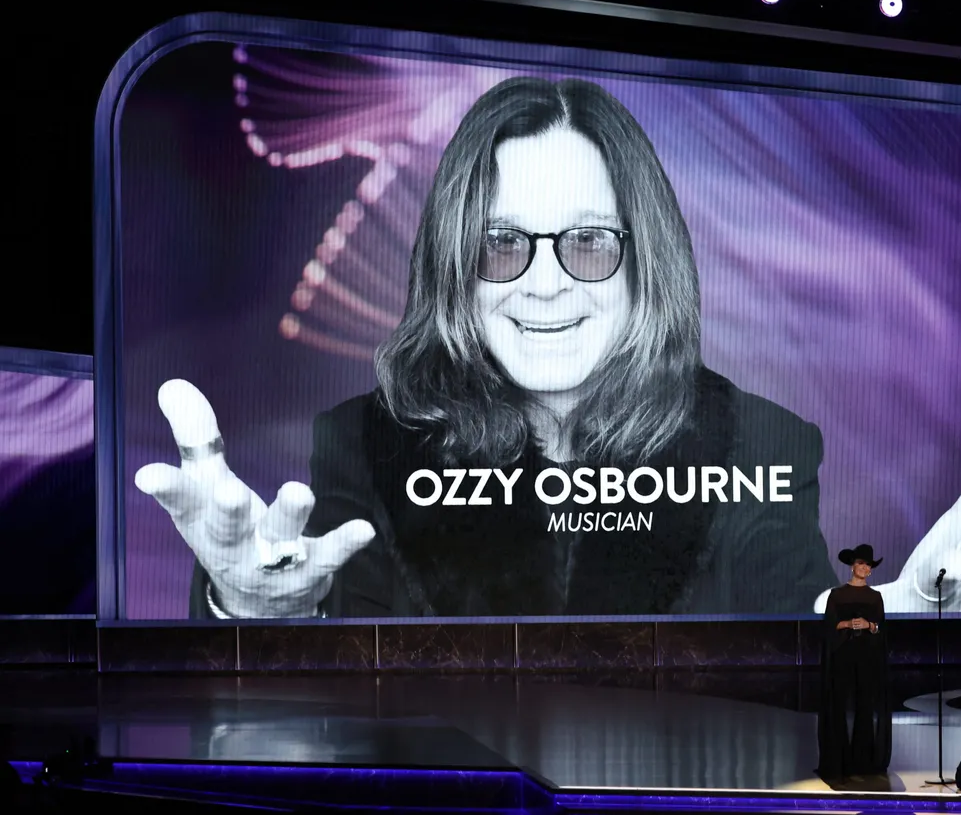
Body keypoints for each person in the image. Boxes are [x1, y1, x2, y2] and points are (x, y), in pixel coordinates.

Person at [135, 76, 839, 619]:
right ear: (455, 267)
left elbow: (806, 669)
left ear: (645, 262)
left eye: (587, 243)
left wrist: (884, 636)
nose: (544, 286)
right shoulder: (360, 446)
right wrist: (260, 610)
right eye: (501, 246)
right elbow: (312, 706)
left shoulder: (764, 443)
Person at [816, 545, 892, 784]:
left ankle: (863, 762)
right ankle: (839, 762)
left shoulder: (875, 597)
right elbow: (830, 626)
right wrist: (849, 623)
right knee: (838, 707)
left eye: (868, 565)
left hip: (868, 657)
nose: (864, 568)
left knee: (865, 708)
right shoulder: (837, 595)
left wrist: (869, 625)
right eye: (861, 563)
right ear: (852, 566)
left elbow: (881, 629)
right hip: (842, 656)